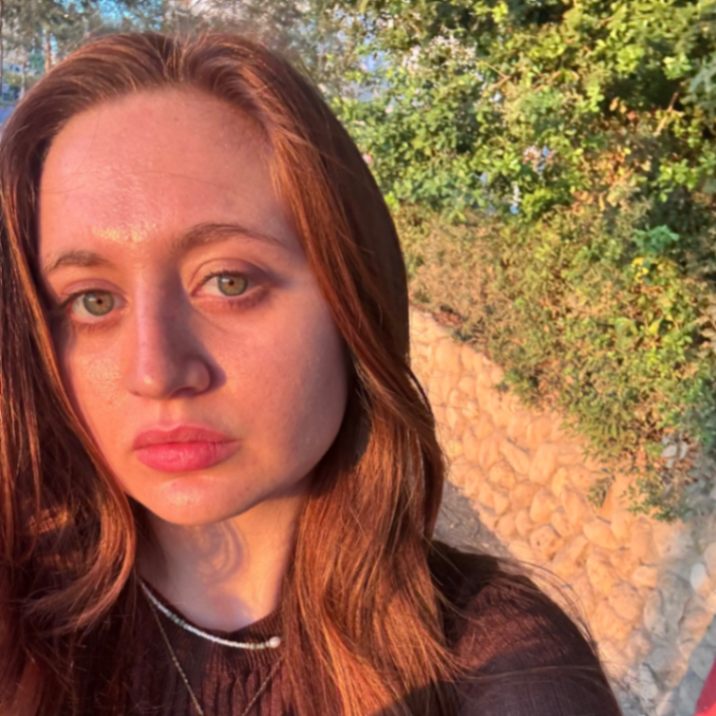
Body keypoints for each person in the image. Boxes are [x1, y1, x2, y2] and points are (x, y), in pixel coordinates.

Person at [0, 31, 622, 716]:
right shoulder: (21, 626)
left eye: (229, 281)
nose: (156, 372)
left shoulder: (492, 662)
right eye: (93, 301)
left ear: (351, 302)